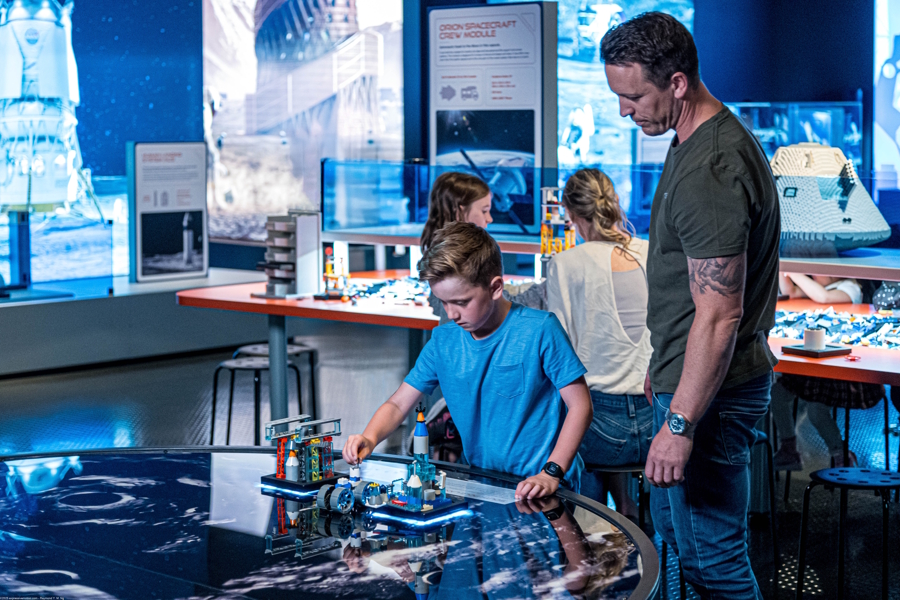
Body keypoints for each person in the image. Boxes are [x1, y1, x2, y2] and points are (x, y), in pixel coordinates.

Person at [601, 13, 780, 598]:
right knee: (687, 550)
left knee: (712, 562)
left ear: (677, 83)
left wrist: (679, 423)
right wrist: (667, 358)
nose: (625, 111)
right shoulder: (692, 139)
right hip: (693, 380)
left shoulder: (710, 168)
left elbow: (721, 313)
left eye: (633, 96)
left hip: (712, 399)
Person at [344, 222, 593, 499]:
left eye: (461, 302)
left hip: (543, 484)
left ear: (496, 287)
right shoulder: (442, 341)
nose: (451, 314)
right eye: (444, 302)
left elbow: (580, 406)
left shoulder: (541, 330)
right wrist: (369, 437)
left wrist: (551, 472)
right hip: (483, 481)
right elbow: (398, 403)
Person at [546, 168, 652, 521]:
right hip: (659, 423)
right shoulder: (652, 251)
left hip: (601, 430)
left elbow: (561, 352)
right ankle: (625, 507)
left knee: (573, 409)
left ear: (570, 212)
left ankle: (591, 533)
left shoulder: (565, 264)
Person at [772, 273, 886, 470]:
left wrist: (796, 272)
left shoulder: (851, 287)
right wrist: (785, 271)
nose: (813, 275)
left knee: (816, 410)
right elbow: (790, 291)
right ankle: (788, 446)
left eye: (816, 271)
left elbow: (823, 297)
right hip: (814, 362)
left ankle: (840, 454)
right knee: (777, 394)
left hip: (840, 370)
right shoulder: (819, 286)